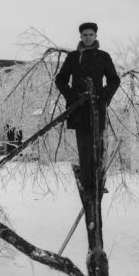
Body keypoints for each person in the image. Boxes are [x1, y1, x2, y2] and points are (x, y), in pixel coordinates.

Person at [54, 22, 120, 192]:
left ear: (96, 36)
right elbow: (60, 79)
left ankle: (98, 183)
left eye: (91, 34)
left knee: (97, 144)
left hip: (97, 106)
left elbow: (114, 80)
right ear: (81, 37)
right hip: (79, 108)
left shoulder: (103, 56)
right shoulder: (73, 57)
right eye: (85, 35)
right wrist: (72, 97)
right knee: (84, 144)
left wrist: (103, 97)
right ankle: (87, 183)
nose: (88, 37)